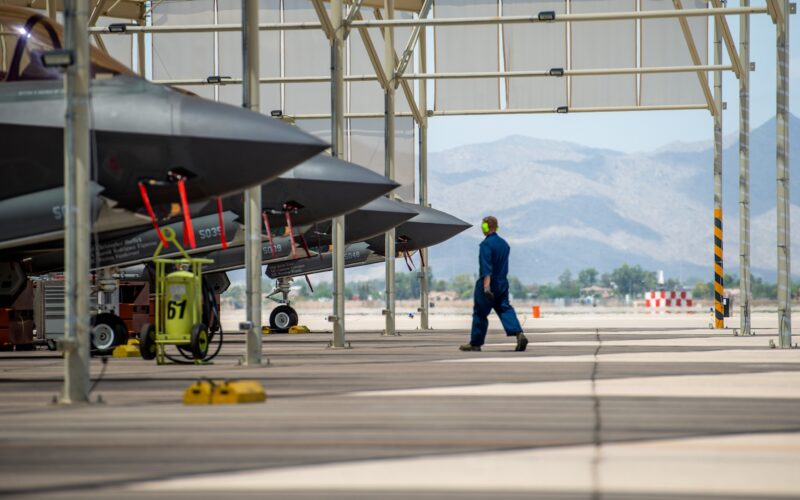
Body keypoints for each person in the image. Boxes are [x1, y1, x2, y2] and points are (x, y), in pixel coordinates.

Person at [460, 216, 528, 352]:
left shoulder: (486, 245)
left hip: (489, 283)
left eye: (482, 226)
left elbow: (487, 268)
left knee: (480, 313)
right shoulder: (504, 244)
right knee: (505, 308)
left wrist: (486, 287)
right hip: (502, 283)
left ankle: (475, 343)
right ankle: (519, 333)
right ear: (496, 227)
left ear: (485, 227)